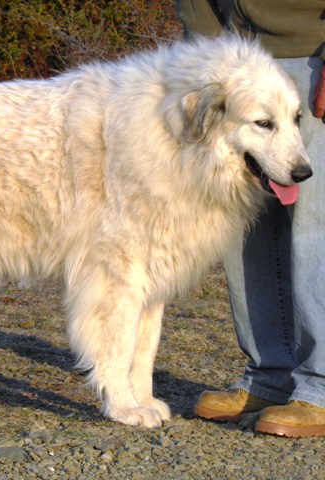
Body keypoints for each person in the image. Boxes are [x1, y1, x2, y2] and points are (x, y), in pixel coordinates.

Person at [175, 0, 325, 437]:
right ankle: (269, 375)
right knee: (242, 228)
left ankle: (320, 386)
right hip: (240, 59)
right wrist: (198, 53)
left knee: (313, 226)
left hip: (311, 53)